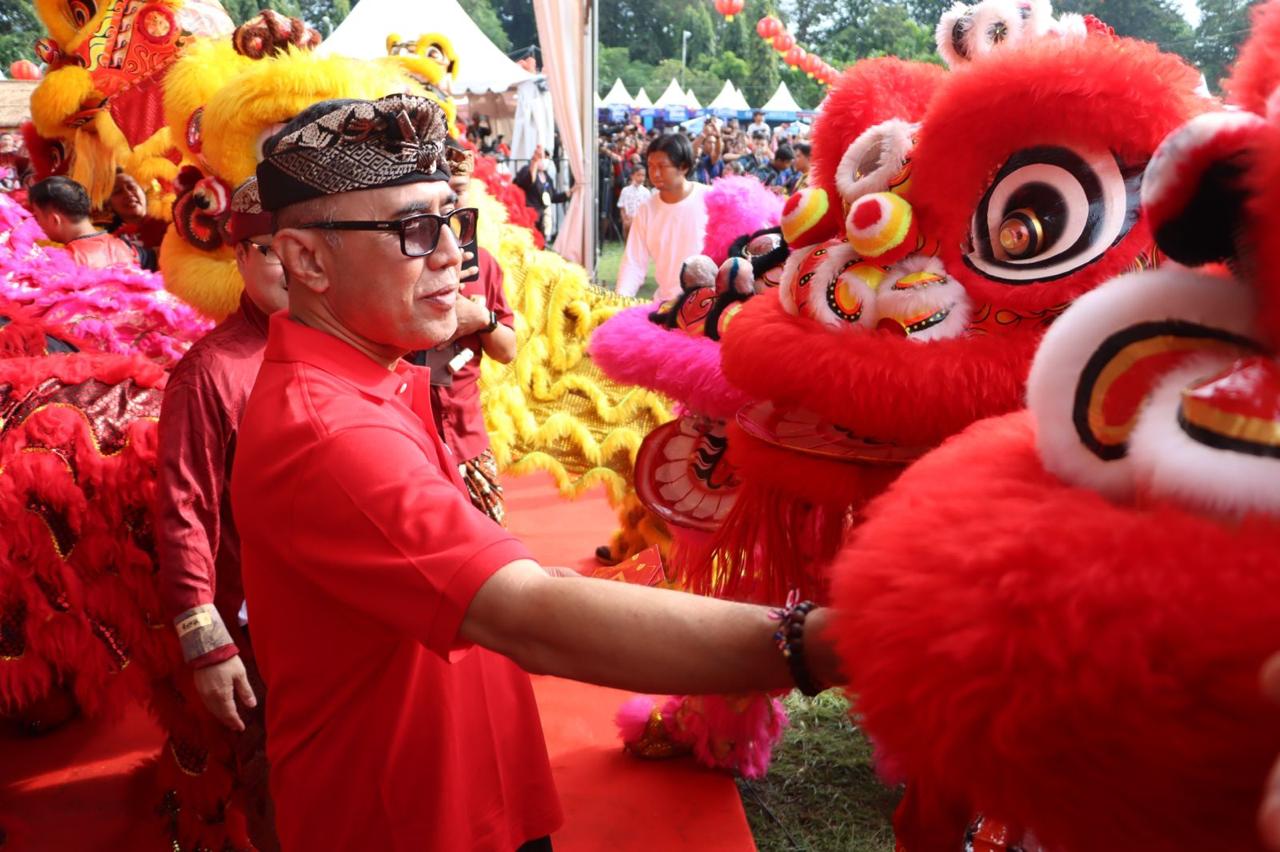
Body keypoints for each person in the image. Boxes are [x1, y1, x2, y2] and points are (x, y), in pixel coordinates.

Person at [234, 94, 843, 852]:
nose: (450, 254)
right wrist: (817, 644)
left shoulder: (369, 376)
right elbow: (530, 614)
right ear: (307, 260)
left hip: (461, 791)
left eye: (452, 222)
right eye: (412, 229)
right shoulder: (327, 432)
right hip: (402, 818)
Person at [155, 177, 287, 851]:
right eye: (271, 250)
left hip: (356, 615)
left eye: (308, 245)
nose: (292, 265)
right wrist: (205, 643)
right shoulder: (210, 372)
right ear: (239, 255)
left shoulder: (357, 341)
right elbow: (185, 510)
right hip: (264, 629)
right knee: (282, 791)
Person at [417, 141, 518, 525]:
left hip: (468, 435)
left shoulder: (484, 263)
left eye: (457, 193)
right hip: (412, 441)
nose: (448, 206)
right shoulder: (400, 262)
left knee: (492, 542)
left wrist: (480, 318)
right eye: (436, 196)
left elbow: (507, 351)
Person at [615, 133, 709, 302]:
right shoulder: (646, 210)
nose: (655, 173)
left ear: (683, 167)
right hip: (665, 305)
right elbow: (633, 263)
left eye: (662, 166)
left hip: (707, 303)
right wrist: (620, 300)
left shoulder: (710, 198)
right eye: (651, 166)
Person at [28, 176, 140, 269]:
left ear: (54, 220)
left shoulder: (66, 261)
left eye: (37, 217)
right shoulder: (123, 246)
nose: (38, 224)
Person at [107, 169, 165, 270]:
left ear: (143, 191)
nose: (128, 193)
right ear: (109, 204)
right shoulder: (113, 242)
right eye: (117, 191)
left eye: (131, 186)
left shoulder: (170, 222)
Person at [513, 144, 570, 240]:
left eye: (546, 157)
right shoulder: (526, 170)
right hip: (528, 218)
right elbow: (528, 180)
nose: (545, 159)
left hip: (541, 220)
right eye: (543, 157)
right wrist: (534, 163)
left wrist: (569, 193)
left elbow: (552, 197)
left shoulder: (546, 176)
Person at [616, 166, 650, 240]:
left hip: (641, 221)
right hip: (628, 220)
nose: (641, 178)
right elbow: (622, 206)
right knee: (628, 241)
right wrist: (624, 220)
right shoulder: (625, 190)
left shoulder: (646, 192)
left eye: (643, 175)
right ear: (632, 176)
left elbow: (648, 209)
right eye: (638, 175)